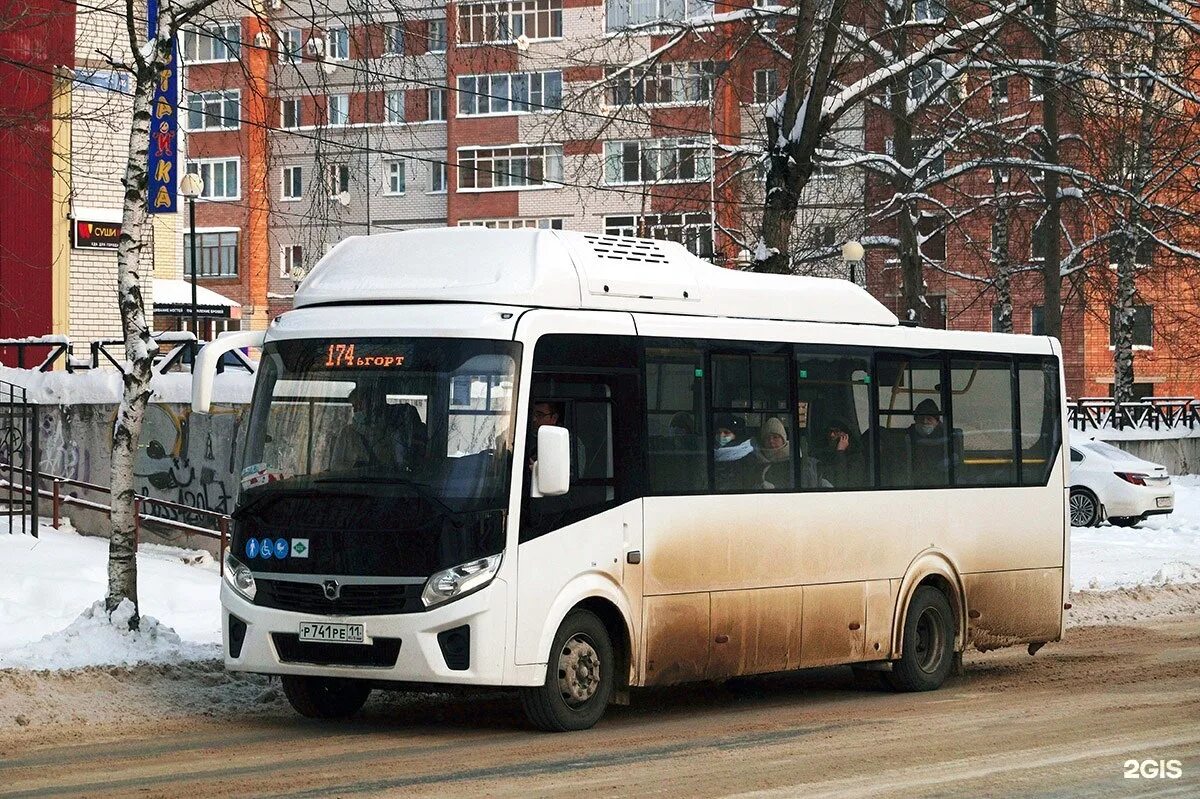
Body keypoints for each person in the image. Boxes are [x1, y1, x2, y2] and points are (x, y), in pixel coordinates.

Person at [331, 386, 397, 470]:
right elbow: (335, 465)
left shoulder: (386, 432)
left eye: (360, 405)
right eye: (354, 406)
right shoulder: (347, 433)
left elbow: (393, 464)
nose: (356, 410)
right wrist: (355, 467)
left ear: (371, 406)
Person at [907, 398, 950, 486]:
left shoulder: (949, 439)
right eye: (921, 418)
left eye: (929, 418)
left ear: (937, 421)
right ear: (915, 420)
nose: (925, 421)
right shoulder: (906, 436)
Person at [818, 418, 866, 487]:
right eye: (830, 431)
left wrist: (840, 452)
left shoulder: (856, 458)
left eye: (836, 431)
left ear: (846, 436)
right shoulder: (825, 454)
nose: (832, 435)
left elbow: (842, 483)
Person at [751, 417, 794, 490]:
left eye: (775, 437)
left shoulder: (794, 460)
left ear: (783, 439)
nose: (771, 441)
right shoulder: (754, 460)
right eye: (767, 438)